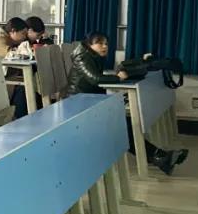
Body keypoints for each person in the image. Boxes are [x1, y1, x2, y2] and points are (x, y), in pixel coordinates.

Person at [68, 32, 186, 175]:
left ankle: (160, 157)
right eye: (100, 43)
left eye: (106, 43)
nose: (105, 46)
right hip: (79, 104)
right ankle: (159, 157)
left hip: (91, 101)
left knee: (124, 124)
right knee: (122, 125)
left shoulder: (93, 56)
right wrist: (118, 78)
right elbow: (95, 79)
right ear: (89, 44)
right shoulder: (82, 57)